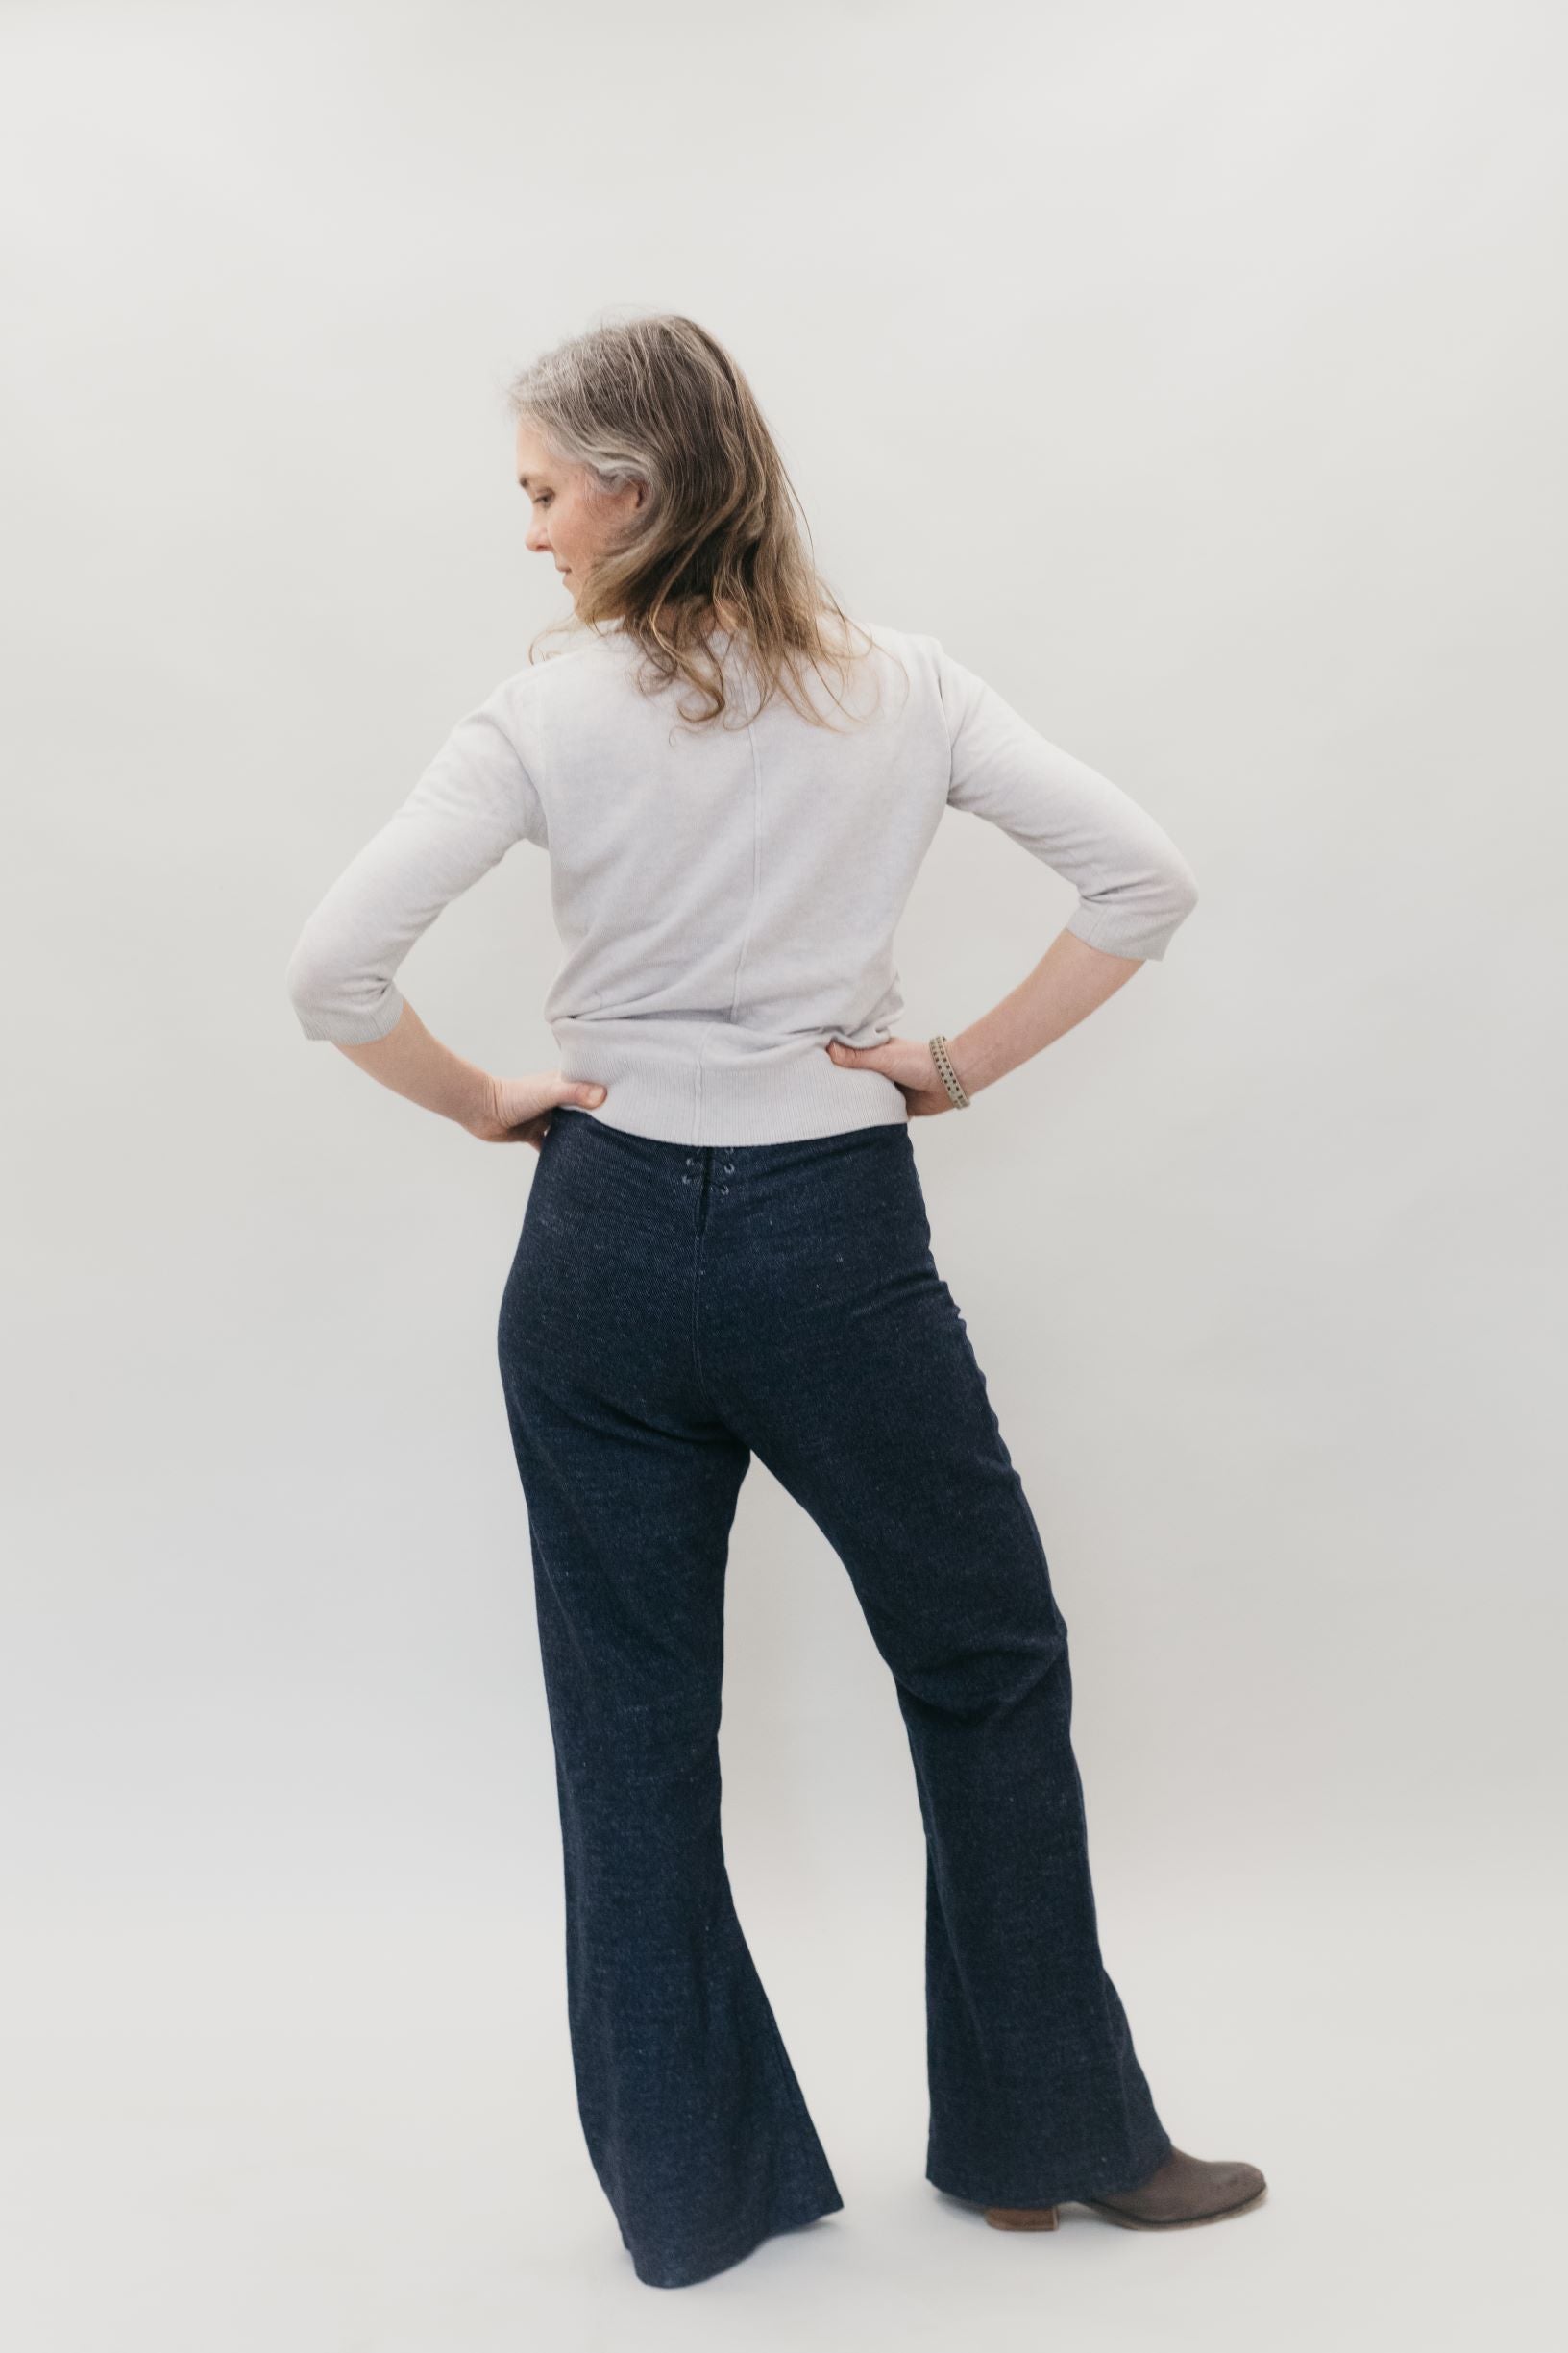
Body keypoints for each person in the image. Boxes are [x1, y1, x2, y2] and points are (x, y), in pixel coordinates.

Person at [284, 312, 1266, 2291]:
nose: (535, 532)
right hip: (836, 1241)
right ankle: (1050, 2136)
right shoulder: (899, 687)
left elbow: (333, 972)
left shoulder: (538, 718)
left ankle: (695, 2197)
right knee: (983, 1663)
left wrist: (492, 1100)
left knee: (629, 1726)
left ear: (634, 495)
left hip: (606, 1246)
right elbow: (1142, 881)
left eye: (546, 490)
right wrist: (955, 1063)